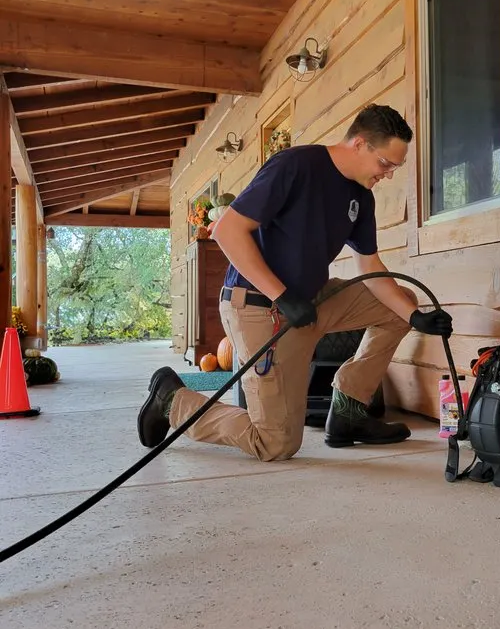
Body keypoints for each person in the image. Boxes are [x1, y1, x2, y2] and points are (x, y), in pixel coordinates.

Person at [137, 104, 453, 461]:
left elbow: (370, 265)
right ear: (360, 144)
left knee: (401, 302)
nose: (389, 174)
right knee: (276, 443)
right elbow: (228, 231)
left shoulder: (361, 197)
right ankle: (172, 401)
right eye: (386, 164)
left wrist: (414, 318)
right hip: (260, 306)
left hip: (312, 302)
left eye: (396, 167)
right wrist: (282, 295)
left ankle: (349, 410)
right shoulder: (295, 166)